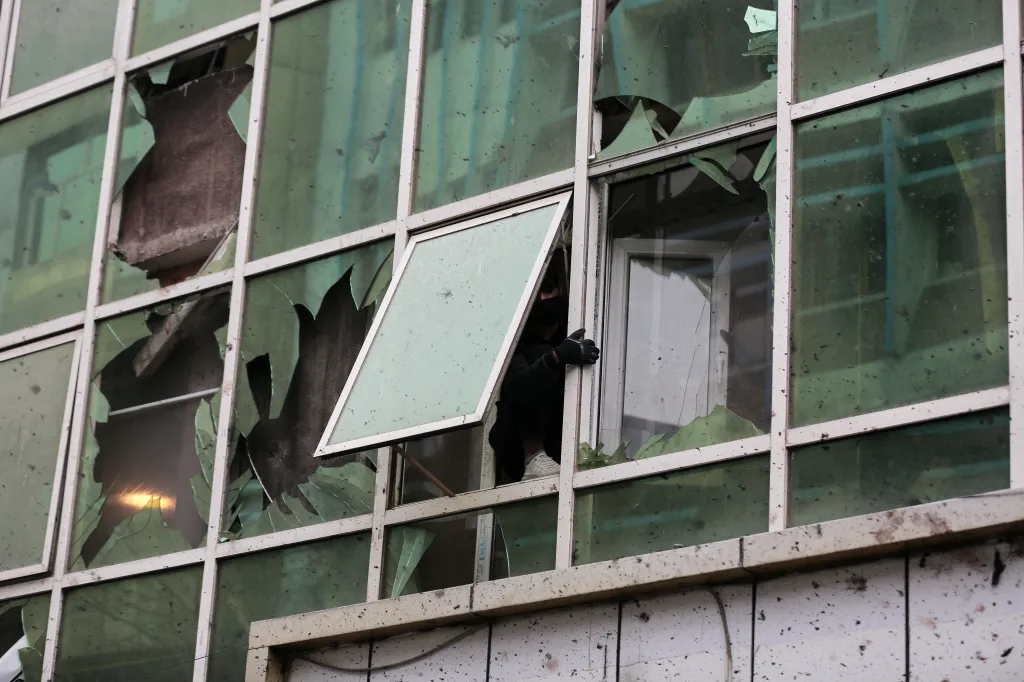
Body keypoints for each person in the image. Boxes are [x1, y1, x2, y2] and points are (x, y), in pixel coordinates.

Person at [488, 269, 600, 481]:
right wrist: (558, 356)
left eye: (547, 290)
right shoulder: (514, 338)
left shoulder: (576, 319)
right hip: (514, 446)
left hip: (562, 442)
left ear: (560, 289)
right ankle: (534, 457)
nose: (542, 298)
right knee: (542, 356)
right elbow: (519, 386)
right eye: (535, 292)